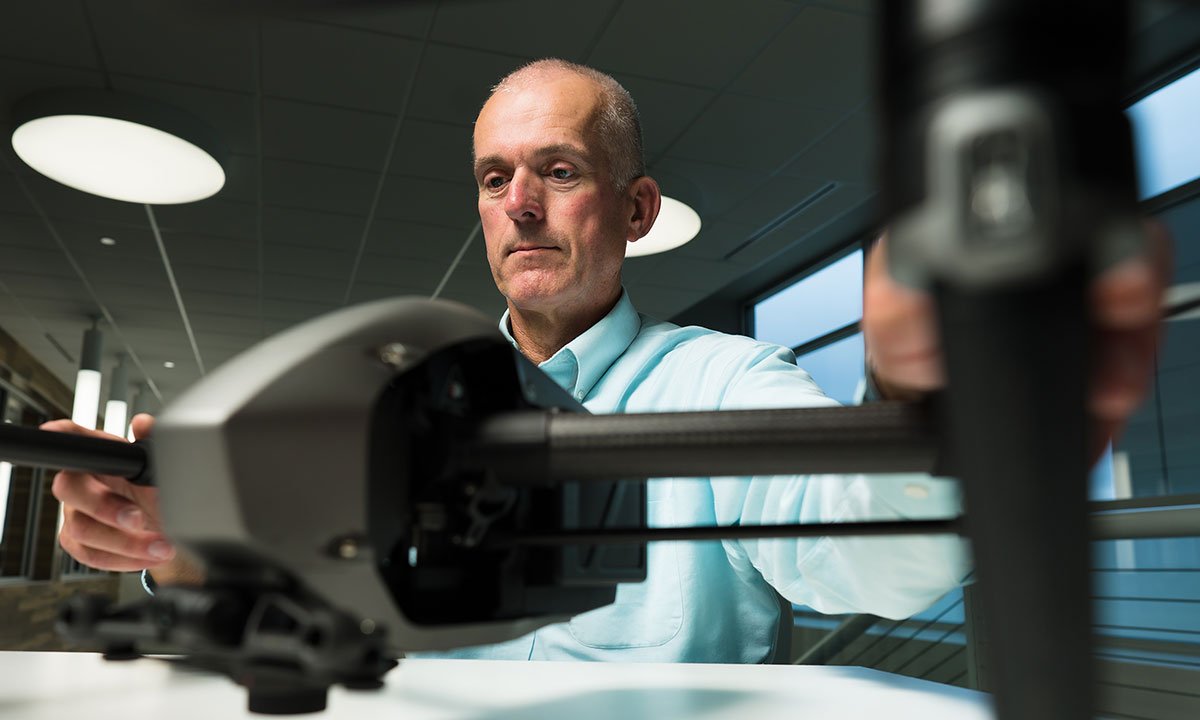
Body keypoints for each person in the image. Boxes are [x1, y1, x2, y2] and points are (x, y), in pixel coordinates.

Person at [44, 59, 1169, 663]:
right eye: (495, 179)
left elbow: (874, 562)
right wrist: (176, 555)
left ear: (634, 209)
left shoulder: (721, 383)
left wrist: (924, 401)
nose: (521, 205)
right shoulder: (389, 398)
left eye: (559, 170)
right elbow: (310, 593)